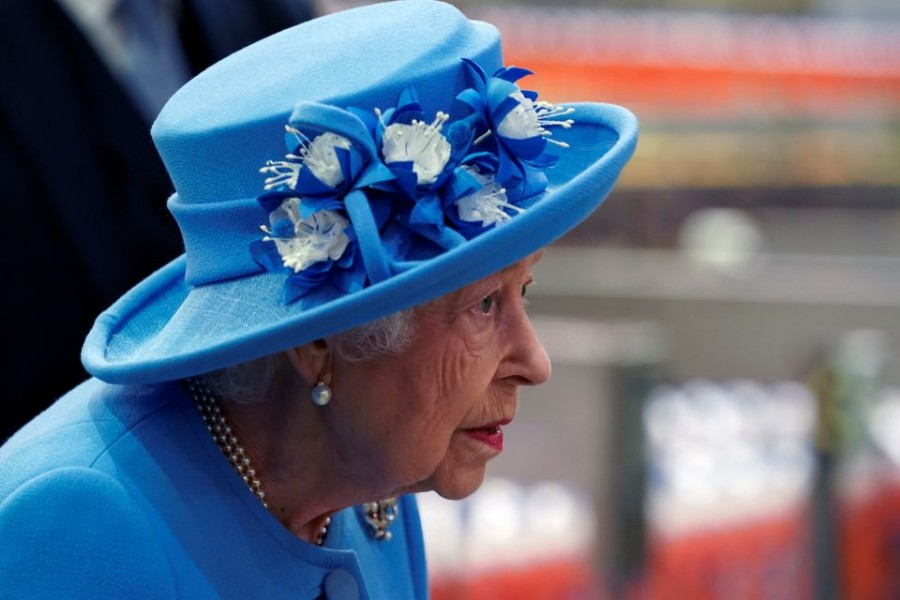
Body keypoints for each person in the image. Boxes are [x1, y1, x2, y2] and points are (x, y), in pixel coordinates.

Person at [0, 1, 637, 597]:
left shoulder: (371, 488)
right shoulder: (82, 521)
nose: (536, 362)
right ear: (317, 342)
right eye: (483, 306)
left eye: (522, 290)